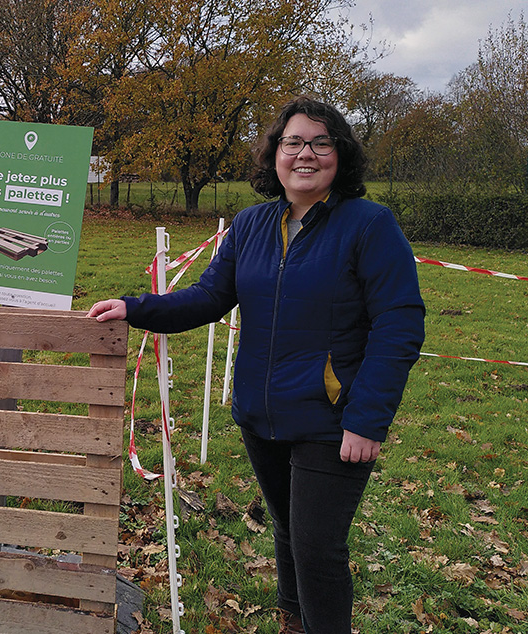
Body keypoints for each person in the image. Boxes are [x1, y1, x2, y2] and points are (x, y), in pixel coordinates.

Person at [88, 97, 425, 634]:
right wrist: (137, 307)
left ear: (340, 154)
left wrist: (367, 418)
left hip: (332, 420)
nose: (305, 154)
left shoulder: (370, 225)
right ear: (275, 156)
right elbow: (208, 297)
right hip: (261, 414)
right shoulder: (249, 226)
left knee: (317, 547)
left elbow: (400, 326)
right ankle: (293, 621)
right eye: (293, 142)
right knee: (290, 531)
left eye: (320, 142)